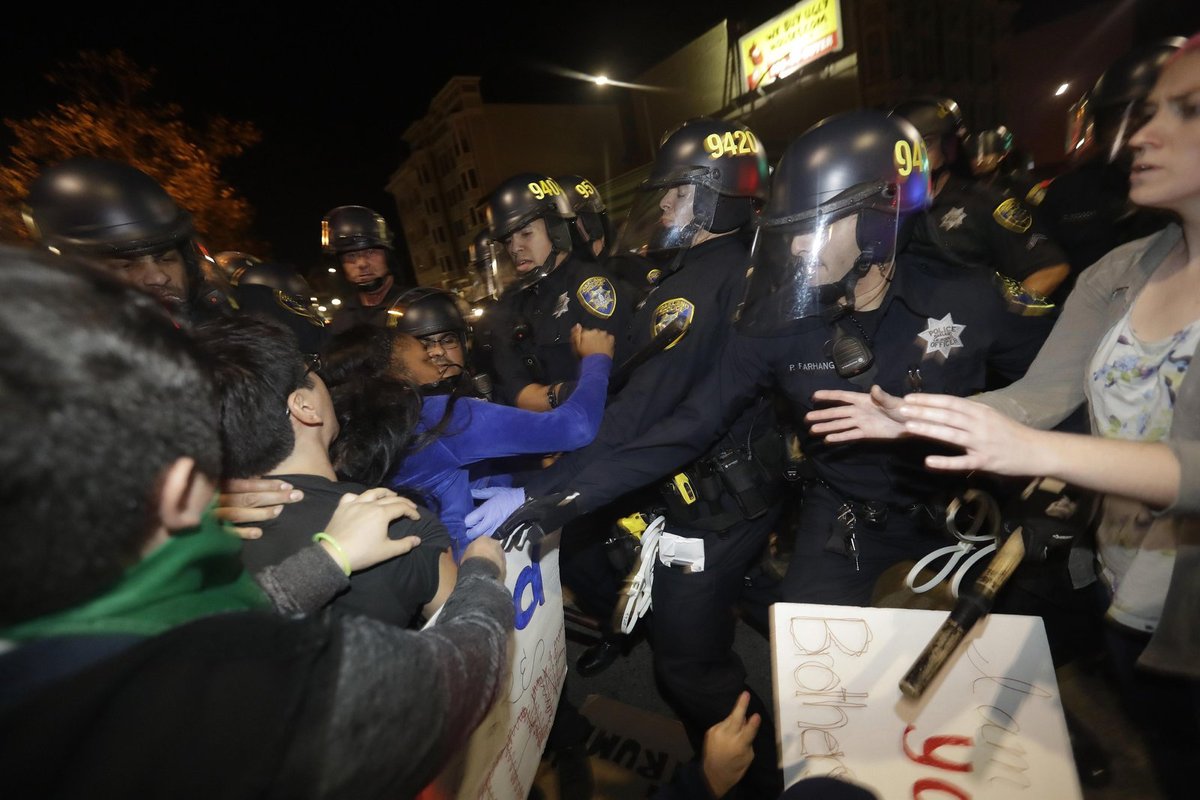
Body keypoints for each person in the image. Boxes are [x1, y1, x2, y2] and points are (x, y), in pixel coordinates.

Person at [806, 37, 1200, 798]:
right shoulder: (1119, 272)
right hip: (1129, 589)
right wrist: (921, 418)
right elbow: (1039, 394)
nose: (1143, 134)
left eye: (1187, 112)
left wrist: (1038, 453)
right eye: (1146, 113)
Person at [0, 246, 514, 799]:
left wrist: (327, 561)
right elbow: (463, 672)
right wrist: (483, 569)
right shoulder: (263, 690)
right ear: (179, 492)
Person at [493, 117, 788, 799]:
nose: (661, 208)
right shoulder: (749, 260)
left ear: (717, 197)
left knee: (686, 668)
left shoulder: (691, 287)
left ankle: (757, 776)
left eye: (677, 195)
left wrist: (548, 496)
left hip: (709, 507)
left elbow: (637, 416)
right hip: (740, 487)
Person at [194, 314, 457, 628]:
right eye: (310, 366)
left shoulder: (187, 549)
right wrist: (484, 567)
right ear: (305, 406)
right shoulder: (398, 524)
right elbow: (476, 646)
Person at [1038, 36, 1185, 304]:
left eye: (1153, 118)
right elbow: (1043, 267)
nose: (1138, 139)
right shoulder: (1070, 191)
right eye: (1120, 123)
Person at [892, 96, 1072, 299]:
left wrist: (1001, 320)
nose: (914, 156)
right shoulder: (889, 208)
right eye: (904, 148)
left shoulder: (985, 202)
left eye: (926, 144)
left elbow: (1050, 269)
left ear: (949, 148)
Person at [485, 171, 633, 410]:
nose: (515, 248)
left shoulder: (590, 285)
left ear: (555, 227)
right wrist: (560, 395)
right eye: (508, 240)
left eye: (525, 233)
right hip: (549, 431)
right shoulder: (511, 304)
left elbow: (613, 379)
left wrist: (552, 397)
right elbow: (514, 389)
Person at [21, 156, 232, 321]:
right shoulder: (45, 370)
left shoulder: (227, 339)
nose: (158, 277)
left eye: (166, 259)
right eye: (125, 265)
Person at [322, 204, 409, 334]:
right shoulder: (341, 321)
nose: (362, 263)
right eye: (351, 255)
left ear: (388, 256)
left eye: (370, 252)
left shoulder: (415, 305)